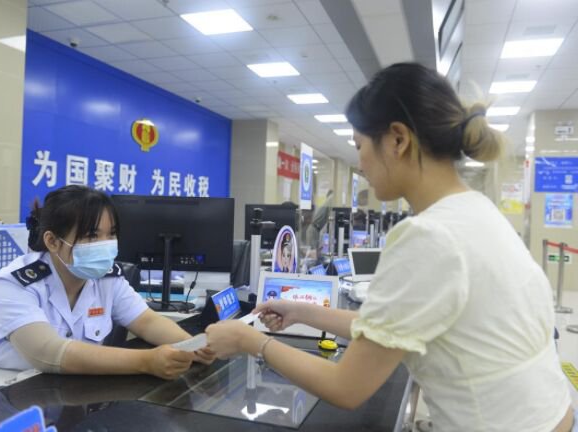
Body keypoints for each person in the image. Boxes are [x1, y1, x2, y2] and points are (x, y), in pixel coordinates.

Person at [206, 63, 573, 431]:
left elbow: (346, 387)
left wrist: (250, 341)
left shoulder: (428, 236)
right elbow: (388, 328)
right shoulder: (476, 211)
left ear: (398, 139)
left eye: (360, 146)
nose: (360, 163)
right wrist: (302, 312)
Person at [0, 185, 214, 379]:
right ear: (52, 241)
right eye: (91, 235)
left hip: (43, 389)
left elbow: (146, 321)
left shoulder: (106, 278)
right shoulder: (13, 283)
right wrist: (147, 361)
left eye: (111, 234)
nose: (105, 244)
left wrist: (193, 346)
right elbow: (49, 352)